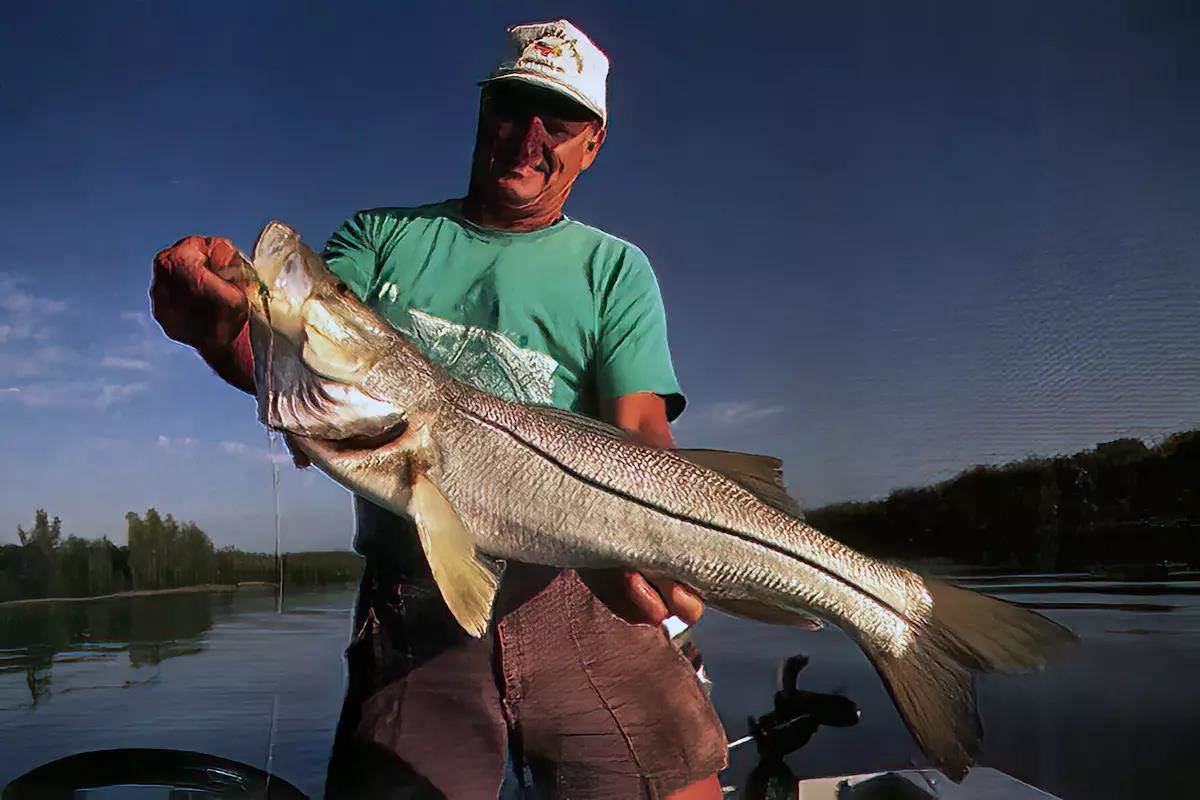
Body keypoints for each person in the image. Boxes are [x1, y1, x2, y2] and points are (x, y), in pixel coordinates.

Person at [150, 19, 727, 800]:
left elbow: (641, 429)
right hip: (413, 606)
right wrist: (220, 334)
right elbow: (296, 358)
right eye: (512, 106)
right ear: (482, 111)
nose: (529, 136)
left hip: (584, 588)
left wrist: (649, 536)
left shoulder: (615, 269)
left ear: (591, 143)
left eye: (557, 120)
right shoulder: (379, 236)